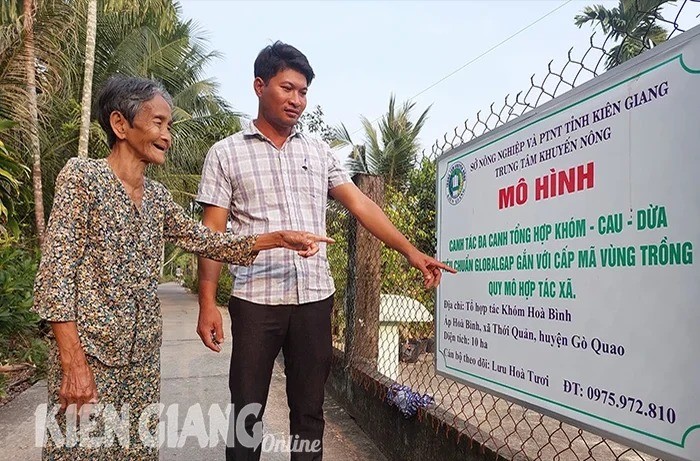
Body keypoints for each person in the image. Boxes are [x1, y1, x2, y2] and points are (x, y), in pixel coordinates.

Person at [32, 75, 333, 460]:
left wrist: (275, 239)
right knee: (80, 450)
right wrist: (72, 362)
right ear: (120, 125)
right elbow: (55, 276)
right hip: (90, 356)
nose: (167, 135)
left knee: (135, 451)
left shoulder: (156, 197)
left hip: (140, 360)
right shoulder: (83, 178)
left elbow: (207, 240)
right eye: (157, 122)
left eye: (169, 125)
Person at [195, 41, 456, 460]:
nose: (296, 100)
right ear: (259, 86)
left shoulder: (318, 153)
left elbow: (361, 204)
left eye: (303, 92)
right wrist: (208, 302)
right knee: (247, 411)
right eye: (287, 89)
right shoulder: (226, 153)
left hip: (315, 298)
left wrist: (410, 250)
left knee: (309, 413)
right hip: (255, 299)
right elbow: (211, 235)